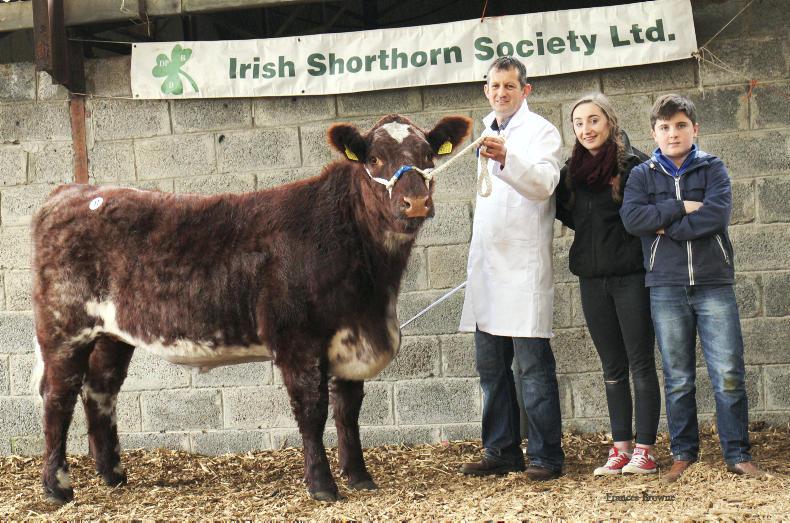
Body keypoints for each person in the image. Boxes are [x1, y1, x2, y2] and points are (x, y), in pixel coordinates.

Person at [620, 93, 765, 483]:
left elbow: (717, 216)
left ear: (694, 129)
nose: (673, 133)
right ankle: (683, 454)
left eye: (681, 125)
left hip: (713, 284)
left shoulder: (713, 168)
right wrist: (683, 207)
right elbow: (633, 218)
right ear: (654, 132)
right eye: (664, 127)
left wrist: (664, 225)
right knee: (679, 376)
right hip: (665, 285)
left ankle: (737, 453)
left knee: (728, 372)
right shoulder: (642, 174)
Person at [458, 56, 564, 481]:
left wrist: (506, 159)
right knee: (491, 369)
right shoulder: (486, 130)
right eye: (494, 85)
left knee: (533, 369)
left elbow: (543, 184)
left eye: (509, 86)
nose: (501, 92)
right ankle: (501, 449)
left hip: (522, 268)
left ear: (526, 90)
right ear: (486, 90)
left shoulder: (542, 131)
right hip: (488, 267)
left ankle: (545, 456)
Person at [555, 93, 661, 476]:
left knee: (640, 363)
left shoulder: (635, 166)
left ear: (610, 122)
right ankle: (621, 448)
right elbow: (568, 215)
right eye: (579, 122)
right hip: (592, 279)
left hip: (631, 277)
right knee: (611, 366)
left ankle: (645, 451)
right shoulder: (571, 173)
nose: (586, 129)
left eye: (594, 120)